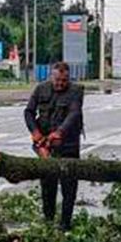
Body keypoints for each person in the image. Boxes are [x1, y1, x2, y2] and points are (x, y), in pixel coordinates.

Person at [24, 61, 85, 230]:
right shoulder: (41, 89)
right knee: (47, 185)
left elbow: (74, 114)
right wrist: (35, 132)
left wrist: (60, 132)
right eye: (57, 80)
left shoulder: (76, 91)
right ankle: (48, 222)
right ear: (51, 77)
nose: (60, 84)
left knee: (69, 186)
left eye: (64, 80)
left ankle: (65, 224)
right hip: (45, 145)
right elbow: (28, 112)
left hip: (68, 145)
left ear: (68, 78)